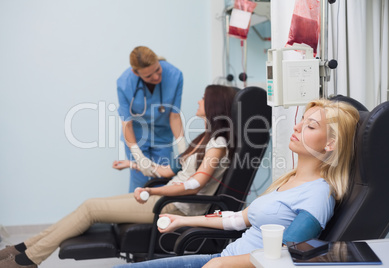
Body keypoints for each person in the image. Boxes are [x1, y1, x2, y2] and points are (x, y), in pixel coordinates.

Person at [0, 85, 237, 268]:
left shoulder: (218, 143)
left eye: (204, 98)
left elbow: (194, 185)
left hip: (174, 208)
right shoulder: (206, 139)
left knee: (91, 208)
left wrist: (152, 191)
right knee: (89, 206)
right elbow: (174, 173)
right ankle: (22, 249)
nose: (199, 100)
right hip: (169, 200)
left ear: (214, 105)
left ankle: (27, 259)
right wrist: (132, 164)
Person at [112, 99, 360, 268]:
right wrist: (184, 221)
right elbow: (237, 220)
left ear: (330, 144)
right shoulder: (290, 179)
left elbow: (285, 254)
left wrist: (222, 263)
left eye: (310, 125)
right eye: (302, 119)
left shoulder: (318, 195)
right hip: (223, 258)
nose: (296, 126)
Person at [116, 46, 185, 192]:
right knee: (139, 184)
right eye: (148, 76)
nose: (156, 77)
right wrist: (138, 156)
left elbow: (174, 115)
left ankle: (160, 215)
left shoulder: (175, 75)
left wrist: (182, 146)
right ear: (135, 73)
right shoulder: (124, 83)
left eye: (157, 70)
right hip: (137, 136)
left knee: (163, 181)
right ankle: (135, 213)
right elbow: (127, 124)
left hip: (162, 136)